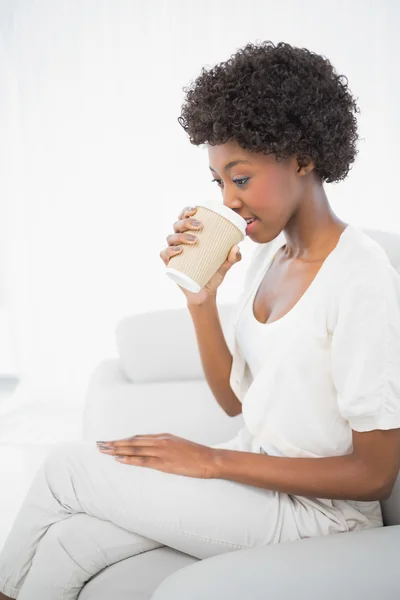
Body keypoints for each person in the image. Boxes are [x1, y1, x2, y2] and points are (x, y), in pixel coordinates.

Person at [1, 40, 400, 600]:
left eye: (240, 178)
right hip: (256, 483)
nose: (228, 201)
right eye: (218, 182)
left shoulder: (361, 277)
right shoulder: (269, 254)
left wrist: (212, 460)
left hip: (322, 517)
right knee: (72, 542)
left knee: (69, 469)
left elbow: (374, 474)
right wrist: (201, 300)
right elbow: (237, 403)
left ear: (304, 159)